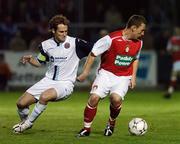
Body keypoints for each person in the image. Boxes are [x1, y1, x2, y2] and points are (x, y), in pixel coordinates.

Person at [12, 15, 93, 133]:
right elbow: (39, 62)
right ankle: (24, 121)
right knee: (20, 103)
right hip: (48, 80)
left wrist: (86, 71)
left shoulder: (76, 43)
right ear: (53, 31)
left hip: (65, 84)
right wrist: (31, 60)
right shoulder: (46, 45)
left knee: (44, 96)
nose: (64, 34)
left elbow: (96, 50)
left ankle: (27, 124)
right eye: (61, 31)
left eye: (66, 31)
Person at [77, 15, 147, 137]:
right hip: (106, 73)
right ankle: (86, 128)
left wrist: (133, 76)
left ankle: (111, 123)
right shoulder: (111, 39)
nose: (143, 34)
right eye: (141, 30)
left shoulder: (139, 43)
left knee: (116, 99)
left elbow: (135, 58)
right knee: (94, 98)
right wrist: (85, 72)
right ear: (133, 28)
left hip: (123, 77)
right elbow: (93, 53)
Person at [164, 27, 180, 99]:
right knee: (173, 77)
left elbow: (169, 50)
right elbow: (168, 50)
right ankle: (169, 92)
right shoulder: (172, 39)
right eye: (176, 30)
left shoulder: (172, 39)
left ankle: (169, 92)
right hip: (176, 61)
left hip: (177, 61)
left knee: (173, 76)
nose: (176, 31)